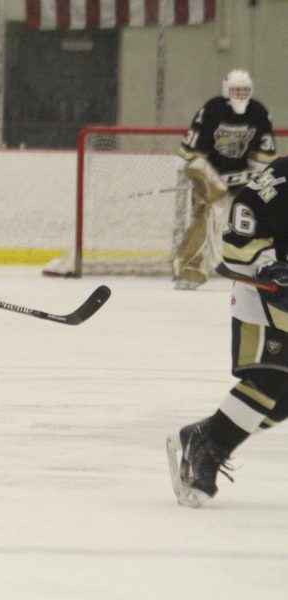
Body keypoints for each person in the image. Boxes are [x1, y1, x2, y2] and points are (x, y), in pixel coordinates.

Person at [167, 156, 288, 507]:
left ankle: (206, 432)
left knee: (282, 397)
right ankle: (208, 451)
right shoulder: (280, 178)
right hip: (267, 301)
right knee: (269, 379)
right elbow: (241, 225)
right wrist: (268, 266)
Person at [173, 69, 277, 290]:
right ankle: (190, 271)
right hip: (213, 173)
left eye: (244, 90)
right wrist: (203, 176)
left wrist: (255, 178)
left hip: (243, 176)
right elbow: (192, 150)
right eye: (236, 90)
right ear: (226, 91)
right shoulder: (212, 109)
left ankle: (256, 265)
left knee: (255, 218)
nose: (240, 94)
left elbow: (263, 155)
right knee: (205, 217)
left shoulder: (258, 112)